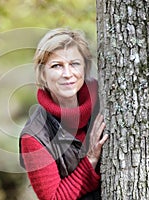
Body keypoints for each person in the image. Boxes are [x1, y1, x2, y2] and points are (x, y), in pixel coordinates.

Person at [19, 28, 109, 200]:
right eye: (56, 66)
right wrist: (90, 159)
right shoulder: (34, 136)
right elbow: (53, 198)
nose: (67, 74)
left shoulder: (107, 101)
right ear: (43, 74)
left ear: (85, 68)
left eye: (74, 64)